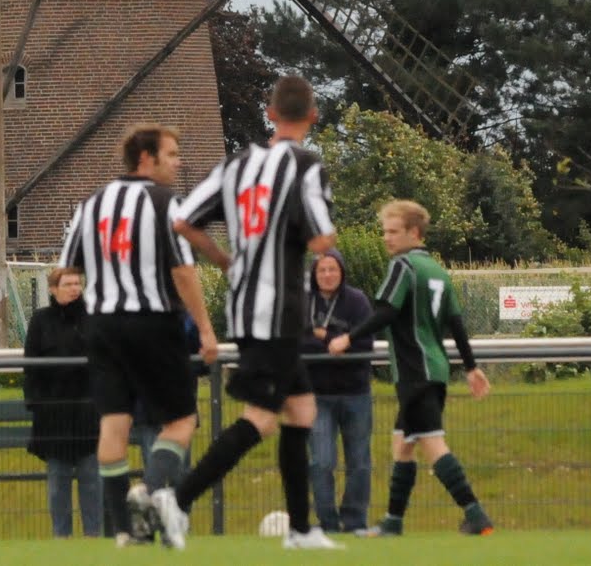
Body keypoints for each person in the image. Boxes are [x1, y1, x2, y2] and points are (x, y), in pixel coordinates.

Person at [150, 75, 341, 551]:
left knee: (302, 410)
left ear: (270, 114)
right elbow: (322, 237)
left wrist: (224, 259)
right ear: (312, 116)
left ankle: (300, 529)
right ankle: (178, 498)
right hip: (277, 310)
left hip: (246, 303)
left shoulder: (236, 164)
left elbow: (183, 220)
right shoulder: (305, 165)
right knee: (262, 417)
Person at [56, 123, 222, 547]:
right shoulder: (166, 203)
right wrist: (205, 329)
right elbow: (183, 271)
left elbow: (67, 266)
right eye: (171, 155)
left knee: (113, 425)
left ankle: (126, 530)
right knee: (181, 420)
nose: (178, 163)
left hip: (101, 325)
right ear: (146, 158)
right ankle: (151, 493)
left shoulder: (91, 204)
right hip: (152, 320)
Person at [329, 199, 495, 537]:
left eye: (393, 231)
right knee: (403, 444)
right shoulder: (437, 270)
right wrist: (471, 367)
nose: (386, 238)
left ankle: (475, 514)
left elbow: (386, 312)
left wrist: (348, 337)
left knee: (432, 444)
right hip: (434, 370)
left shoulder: (403, 266)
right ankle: (393, 521)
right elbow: (456, 322)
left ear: (415, 233)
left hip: (415, 371)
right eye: (385, 232)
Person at [300, 248, 375, 534]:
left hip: (356, 393)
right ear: (314, 274)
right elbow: (298, 343)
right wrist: (336, 342)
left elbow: (365, 344)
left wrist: (325, 336)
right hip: (317, 395)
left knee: (359, 462)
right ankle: (328, 523)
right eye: (322, 270)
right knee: (321, 461)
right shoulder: (303, 303)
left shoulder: (357, 302)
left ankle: (355, 521)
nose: (328, 274)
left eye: (333, 269)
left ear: (341, 272)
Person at [23, 266, 102, 538]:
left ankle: (93, 538)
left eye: (77, 283)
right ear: (53, 289)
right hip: (54, 416)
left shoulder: (92, 319)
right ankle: (62, 539)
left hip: (88, 414)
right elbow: (31, 367)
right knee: (58, 483)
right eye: (67, 284)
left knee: (92, 480)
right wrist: (36, 404)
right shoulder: (40, 321)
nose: (74, 289)